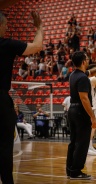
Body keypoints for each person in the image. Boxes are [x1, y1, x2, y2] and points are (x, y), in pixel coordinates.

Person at [0, 11, 43, 184]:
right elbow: (37, 46)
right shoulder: (6, 44)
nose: (8, 27)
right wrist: (39, 27)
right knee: (4, 146)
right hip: (1, 101)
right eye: (5, 25)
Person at [66, 51, 96, 180]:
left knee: (73, 142)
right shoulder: (83, 78)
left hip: (72, 111)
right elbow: (84, 99)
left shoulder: (73, 75)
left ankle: (70, 169)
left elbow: (87, 73)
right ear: (84, 62)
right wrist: (93, 117)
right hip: (80, 111)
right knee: (82, 142)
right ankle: (76, 171)